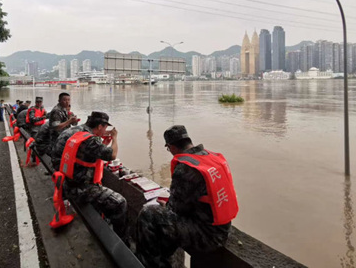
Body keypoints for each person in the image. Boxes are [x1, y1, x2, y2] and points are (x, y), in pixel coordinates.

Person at [135, 125, 239, 268]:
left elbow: (175, 210)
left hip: (207, 236)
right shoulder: (213, 158)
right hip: (223, 227)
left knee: (148, 214)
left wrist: (164, 203)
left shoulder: (185, 168)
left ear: (171, 147)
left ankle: (149, 264)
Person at [51, 111, 127, 240]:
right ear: (99, 126)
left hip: (64, 179)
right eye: (105, 128)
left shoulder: (74, 131)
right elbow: (112, 155)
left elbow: (85, 153)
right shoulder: (90, 140)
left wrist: (101, 139)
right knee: (120, 203)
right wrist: (114, 138)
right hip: (78, 188)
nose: (105, 130)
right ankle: (121, 243)